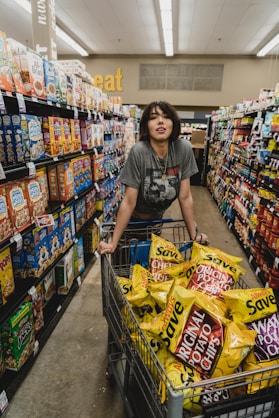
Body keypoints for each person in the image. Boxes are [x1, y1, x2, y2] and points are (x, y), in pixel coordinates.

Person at [98, 100, 208, 255]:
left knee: (150, 269)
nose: (160, 121)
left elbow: (185, 197)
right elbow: (129, 202)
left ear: (174, 123)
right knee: (122, 274)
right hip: (130, 223)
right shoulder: (139, 152)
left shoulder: (183, 149)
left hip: (156, 222)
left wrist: (194, 236)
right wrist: (113, 243)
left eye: (166, 116)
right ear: (146, 126)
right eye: (153, 117)